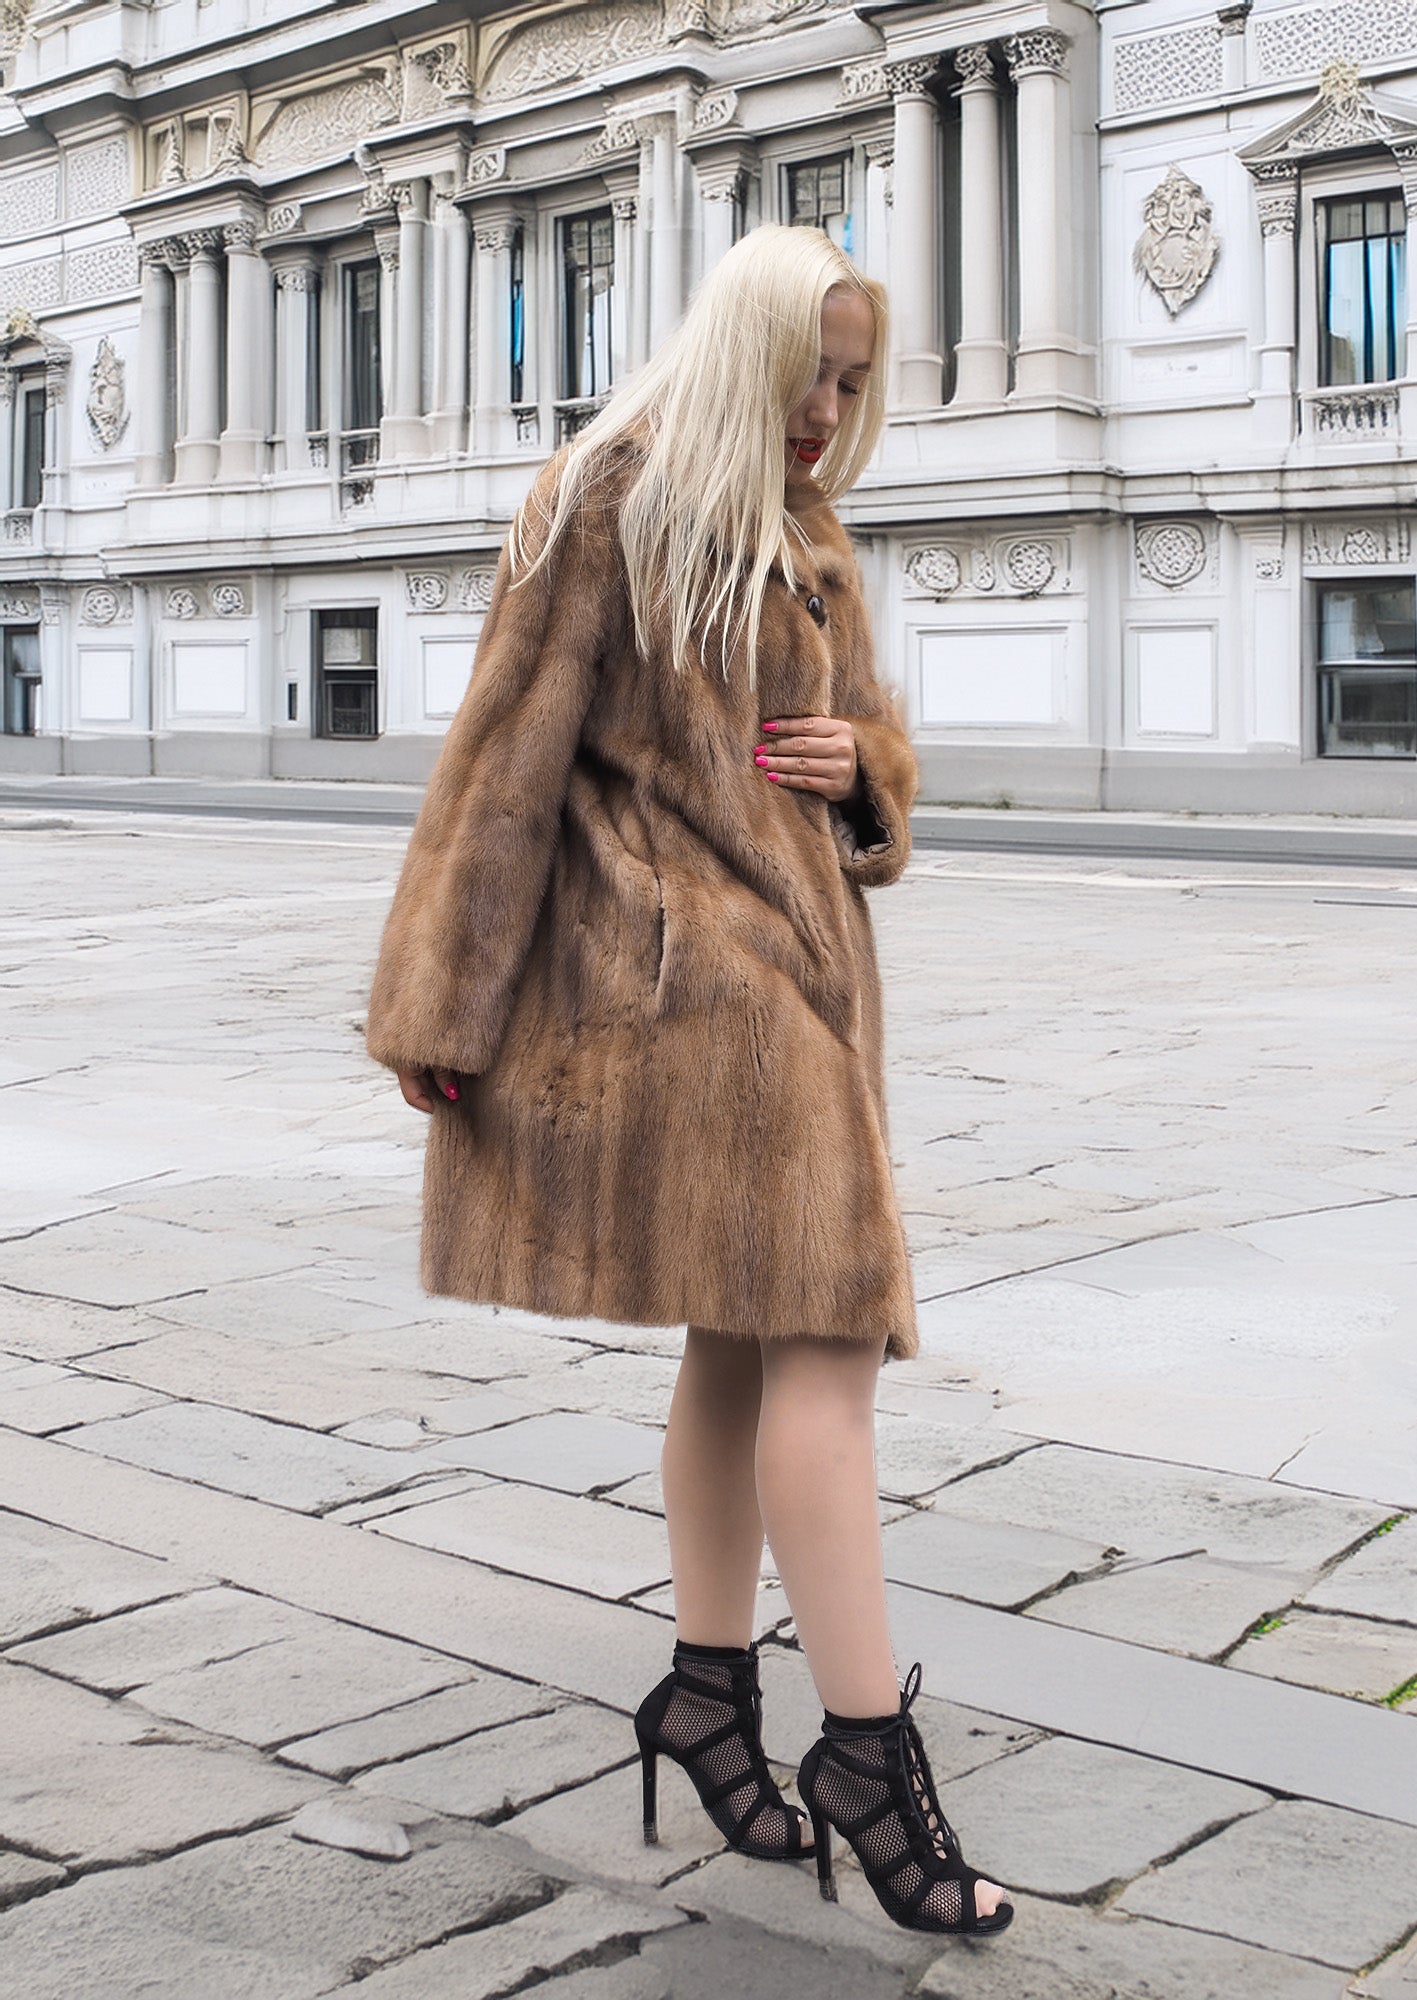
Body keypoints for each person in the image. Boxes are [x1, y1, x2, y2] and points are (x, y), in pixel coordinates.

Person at [365, 223, 1012, 1939]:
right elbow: (498, 756)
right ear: (745, 353)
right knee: (827, 1344)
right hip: (687, 997)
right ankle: (870, 1752)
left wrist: (861, 771)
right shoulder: (609, 494)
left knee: (750, 1343)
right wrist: (441, 1002)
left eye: (859, 382)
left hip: (803, 978)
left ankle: (708, 1700)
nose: (832, 411)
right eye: (812, 374)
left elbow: (870, 764)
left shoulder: (807, 536)